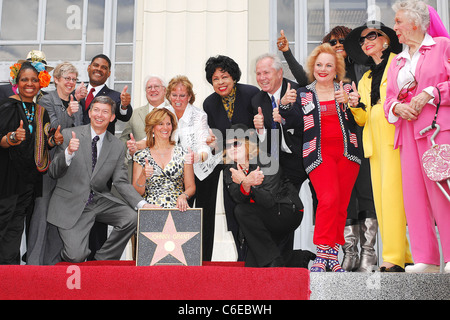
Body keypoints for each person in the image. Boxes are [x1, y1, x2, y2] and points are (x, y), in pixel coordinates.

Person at [279, 28, 376, 271]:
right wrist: (283, 107)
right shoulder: (302, 94)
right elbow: (290, 123)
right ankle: (322, 250)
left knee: (341, 205)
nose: (323, 69)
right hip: (317, 155)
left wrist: (354, 105)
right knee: (328, 199)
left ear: (336, 69)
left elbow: (361, 120)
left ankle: (332, 256)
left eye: (328, 66)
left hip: (348, 155)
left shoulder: (347, 90)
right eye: (319, 65)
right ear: (313, 67)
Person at [384, 0, 450, 273]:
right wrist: (397, 107)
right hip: (407, 133)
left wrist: (431, 93)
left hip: (436, 131)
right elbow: (388, 99)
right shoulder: (397, 60)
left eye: (399, 21)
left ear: (415, 23)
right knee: (414, 195)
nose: (395, 27)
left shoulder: (443, 47)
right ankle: (426, 258)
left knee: (442, 192)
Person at [47, 96, 151, 263]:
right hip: (71, 202)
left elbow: (120, 182)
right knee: (76, 256)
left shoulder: (117, 145)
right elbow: (53, 172)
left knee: (132, 217)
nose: (99, 115)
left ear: (112, 117)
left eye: (105, 112)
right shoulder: (68, 135)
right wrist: (69, 154)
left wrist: (142, 205)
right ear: (89, 113)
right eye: (96, 110)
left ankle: (103, 260)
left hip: (99, 200)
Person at [346, 21, 413, 272]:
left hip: (396, 140)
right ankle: (403, 254)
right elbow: (362, 118)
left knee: (393, 199)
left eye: (373, 35)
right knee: (383, 202)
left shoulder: (399, 63)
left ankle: (393, 257)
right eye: (363, 39)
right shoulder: (365, 77)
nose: (367, 41)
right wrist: (354, 104)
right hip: (374, 146)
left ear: (386, 40)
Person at [223, 124, 315, 268]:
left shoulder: (266, 161)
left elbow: (269, 200)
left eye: (236, 143)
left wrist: (246, 183)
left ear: (247, 144)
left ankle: (276, 262)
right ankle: (296, 258)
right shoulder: (230, 170)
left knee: (241, 211)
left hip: (288, 210)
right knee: (252, 266)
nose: (232, 148)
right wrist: (246, 183)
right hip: (262, 214)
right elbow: (238, 198)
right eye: (228, 145)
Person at [0, 60, 62, 264]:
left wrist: (54, 140)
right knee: (4, 223)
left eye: (34, 80)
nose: (29, 83)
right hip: (7, 178)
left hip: (29, 180)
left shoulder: (40, 111)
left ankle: (9, 273)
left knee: (16, 228)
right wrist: (11, 138)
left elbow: (42, 143)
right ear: (17, 82)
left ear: (40, 83)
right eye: (24, 79)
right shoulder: (7, 105)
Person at [27, 62, 87, 265]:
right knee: (42, 214)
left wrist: (74, 111)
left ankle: (51, 264)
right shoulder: (46, 100)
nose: (71, 82)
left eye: (74, 79)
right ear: (56, 80)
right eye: (67, 78)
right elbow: (52, 130)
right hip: (48, 166)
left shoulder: (75, 103)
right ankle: (34, 263)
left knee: (58, 216)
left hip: (69, 167)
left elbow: (79, 133)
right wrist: (69, 113)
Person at [203, 55, 260, 260]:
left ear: (233, 77)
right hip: (228, 165)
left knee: (254, 209)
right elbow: (217, 138)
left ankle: (255, 255)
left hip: (254, 162)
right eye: (215, 78)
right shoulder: (209, 103)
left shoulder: (251, 93)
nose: (220, 82)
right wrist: (212, 144)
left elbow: (260, 130)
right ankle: (241, 256)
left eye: (224, 77)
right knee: (233, 211)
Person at [80, 54, 133, 258]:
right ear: (89, 68)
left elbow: (123, 114)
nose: (99, 69)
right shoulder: (78, 92)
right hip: (77, 161)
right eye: (96, 65)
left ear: (109, 73)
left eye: (104, 67)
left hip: (100, 162)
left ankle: (97, 259)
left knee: (99, 208)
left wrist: (125, 105)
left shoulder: (115, 96)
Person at [132, 108, 195, 212]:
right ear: (152, 128)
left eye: (168, 123)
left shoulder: (184, 153)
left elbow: (191, 187)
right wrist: (143, 175)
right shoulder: (141, 156)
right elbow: (137, 192)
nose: (165, 127)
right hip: (150, 210)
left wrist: (183, 196)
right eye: (160, 124)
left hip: (178, 209)